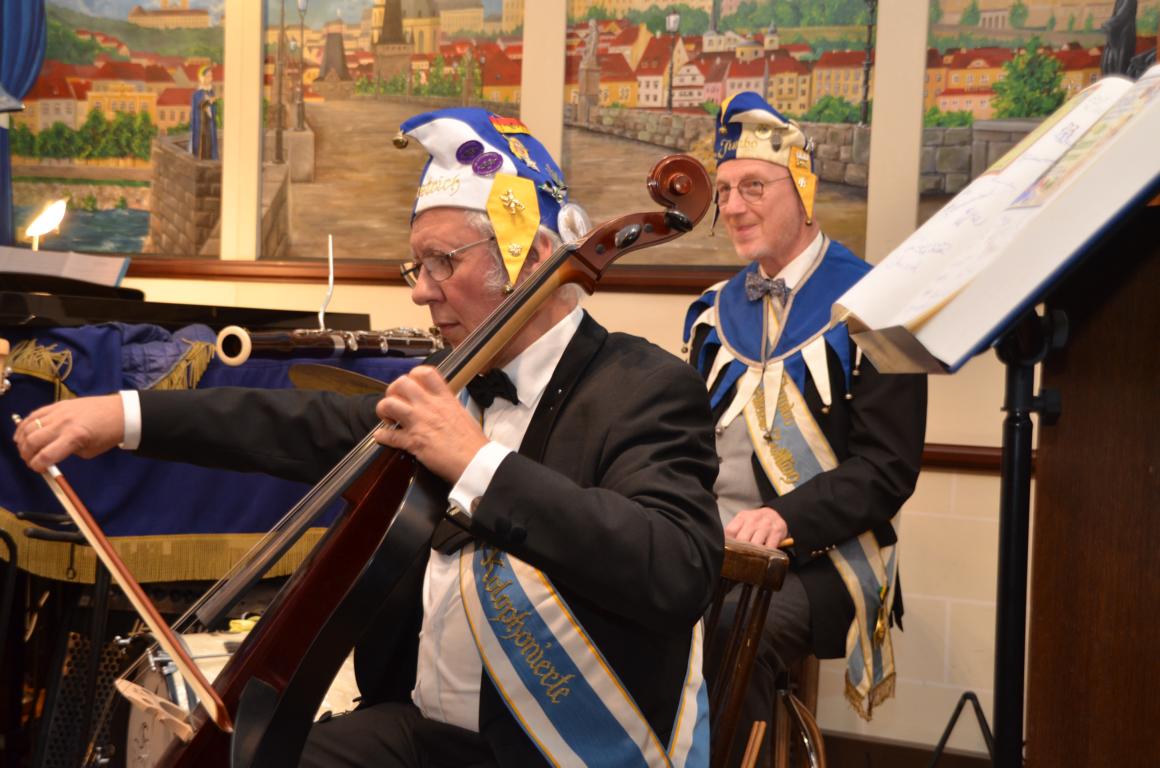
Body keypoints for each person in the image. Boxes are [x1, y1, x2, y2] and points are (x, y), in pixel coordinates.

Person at [16, 108, 722, 768]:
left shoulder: (646, 387)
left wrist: (477, 462)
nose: (421, 290)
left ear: (533, 258)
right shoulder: (456, 379)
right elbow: (295, 425)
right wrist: (123, 415)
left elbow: (674, 568)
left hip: (558, 748)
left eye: (443, 261)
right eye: (418, 266)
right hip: (421, 731)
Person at [683, 92, 927, 764]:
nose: (733, 207)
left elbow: (888, 469)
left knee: (731, 631)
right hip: (713, 546)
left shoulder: (881, 305)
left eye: (753, 187)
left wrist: (782, 518)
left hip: (825, 559)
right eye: (724, 190)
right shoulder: (710, 313)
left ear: (803, 189)